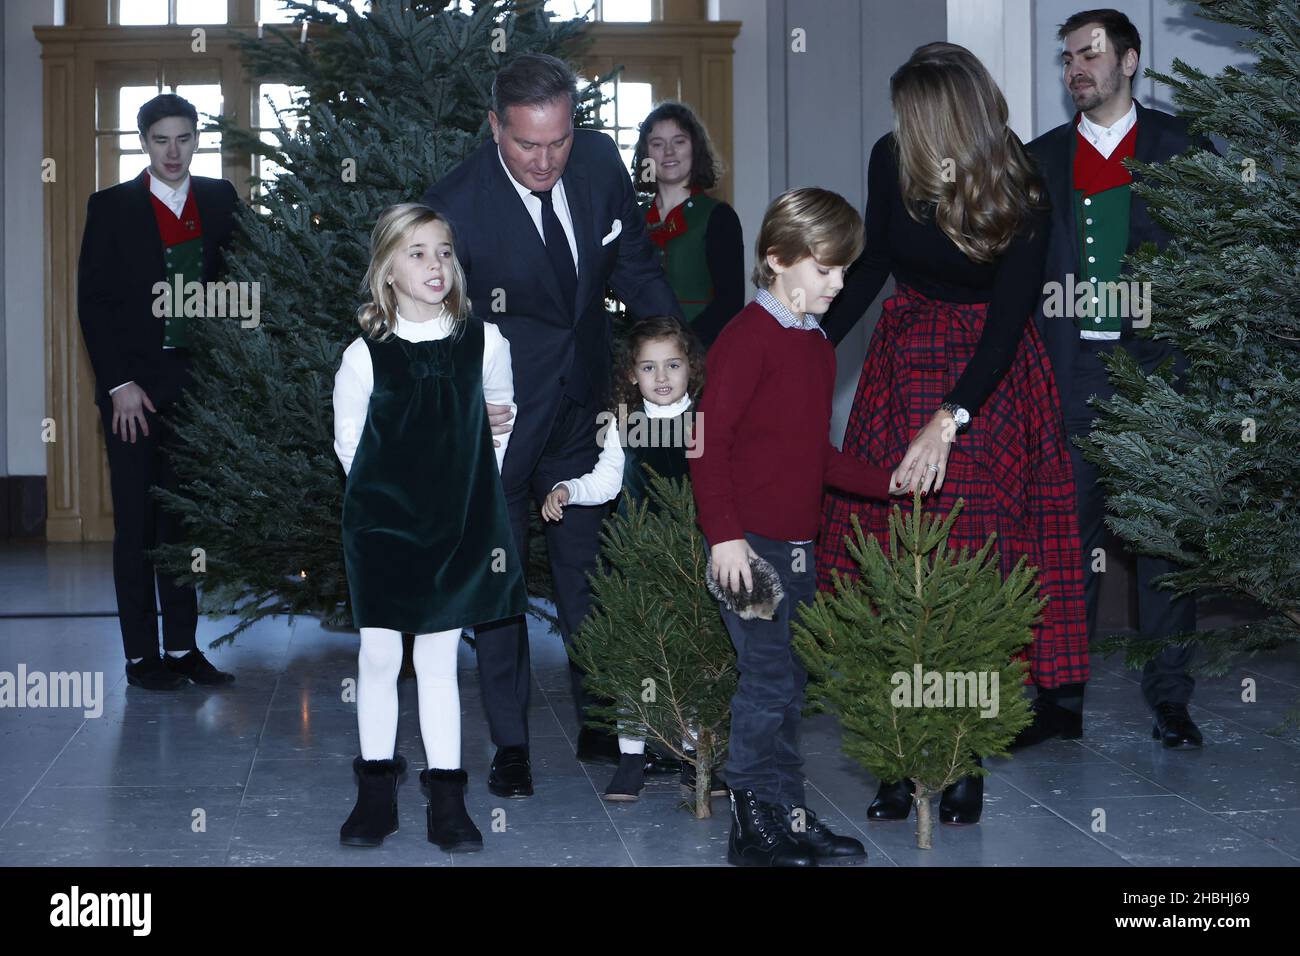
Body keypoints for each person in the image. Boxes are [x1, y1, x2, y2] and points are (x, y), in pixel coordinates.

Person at [817, 43, 1089, 825]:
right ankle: (895, 754)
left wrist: (950, 419)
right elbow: (869, 269)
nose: (898, 127)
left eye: (910, 114)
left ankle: (964, 752)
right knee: (893, 560)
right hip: (904, 356)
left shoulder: (1021, 183)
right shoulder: (891, 157)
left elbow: (1008, 325)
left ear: (945, 116)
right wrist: (805, 346)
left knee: (974, 569)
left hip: (988, 381)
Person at [421, 53, 684, 799]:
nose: (545, 161)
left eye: (558, 142)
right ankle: (510, 743)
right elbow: (432, 326)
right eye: (526, 144)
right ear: (494, 127)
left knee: (590, 574)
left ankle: (605, 720)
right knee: (499, 586)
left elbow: (633, 264)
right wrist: (461, 404)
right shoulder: (455, 207)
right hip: (500, 424)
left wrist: (677, 359)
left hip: (585, 407)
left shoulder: (598, 161)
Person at [692, 187, 906, 867]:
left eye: (845, 271)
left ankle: (785, 812)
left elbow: (815, 455)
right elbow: (705, 442)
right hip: (746, 548)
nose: (839, 285)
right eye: (826, 269)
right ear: (777, 259)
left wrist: (889, 482)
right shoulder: (745, 340)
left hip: (796, 549)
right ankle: (750, 821)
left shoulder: (814, 347)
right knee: (764, 679)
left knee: (788, 686)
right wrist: (725, 537)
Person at [1027, 8, 1210, 750]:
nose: (1077, 69)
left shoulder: (1180, 148)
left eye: (1091, 54)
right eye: (1068, 58)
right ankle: (1059, 701)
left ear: (1129, 61)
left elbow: (1210, 273)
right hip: (1071, 372)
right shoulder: (1040, 159)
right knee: (1067, 542)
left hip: (1156, 377)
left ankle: (1170, 701)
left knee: (1163, 549)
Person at [332, 203, 526, 850]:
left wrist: (471, 490)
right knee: (381, 655)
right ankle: (375, 799)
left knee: (440, 659)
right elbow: (351, 449)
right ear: (386, 270)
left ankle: (448, 800)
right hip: (383, 529)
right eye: (415, 252)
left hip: (457, 525)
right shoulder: (365, 357)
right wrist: (394, 502)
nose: (434, 264)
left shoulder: (484, 341)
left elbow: (500, 419)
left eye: (443, 250)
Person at [77, 92, 238, 691]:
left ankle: (183, 647)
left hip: (200, 391)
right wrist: (118, 384)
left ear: (198, 140)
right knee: (137, 526)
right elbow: (92, 303)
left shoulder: (220, 200)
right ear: (143, 144)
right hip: (133, 393)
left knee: (184, 525)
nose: (173, 151)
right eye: (160, 139)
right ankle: (142, 656)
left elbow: (240, 286)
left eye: (184, 138)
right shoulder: (112, 206)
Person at [541, 315, 720, 802]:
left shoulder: (705, 423)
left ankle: (694, 753)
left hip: (692, 563)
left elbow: (724, 490)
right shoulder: (624, 426)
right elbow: (604, 482)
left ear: (691, 370)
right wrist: (567, 488)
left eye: (672, 365)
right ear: (631, 375)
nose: (661, 378)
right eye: (648, 367)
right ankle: (632, 757)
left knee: (696, 660)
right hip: (637, 564)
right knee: (637, 664)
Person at [632, 102, 745, 348]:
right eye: (658, 144)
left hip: (704, 354)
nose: (669, 152)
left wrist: (683, 348)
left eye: (679, 141)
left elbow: (730, 303)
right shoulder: (634, 219)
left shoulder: (718, 217)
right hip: (644, 358)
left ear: (695, 149)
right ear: (646, 155)